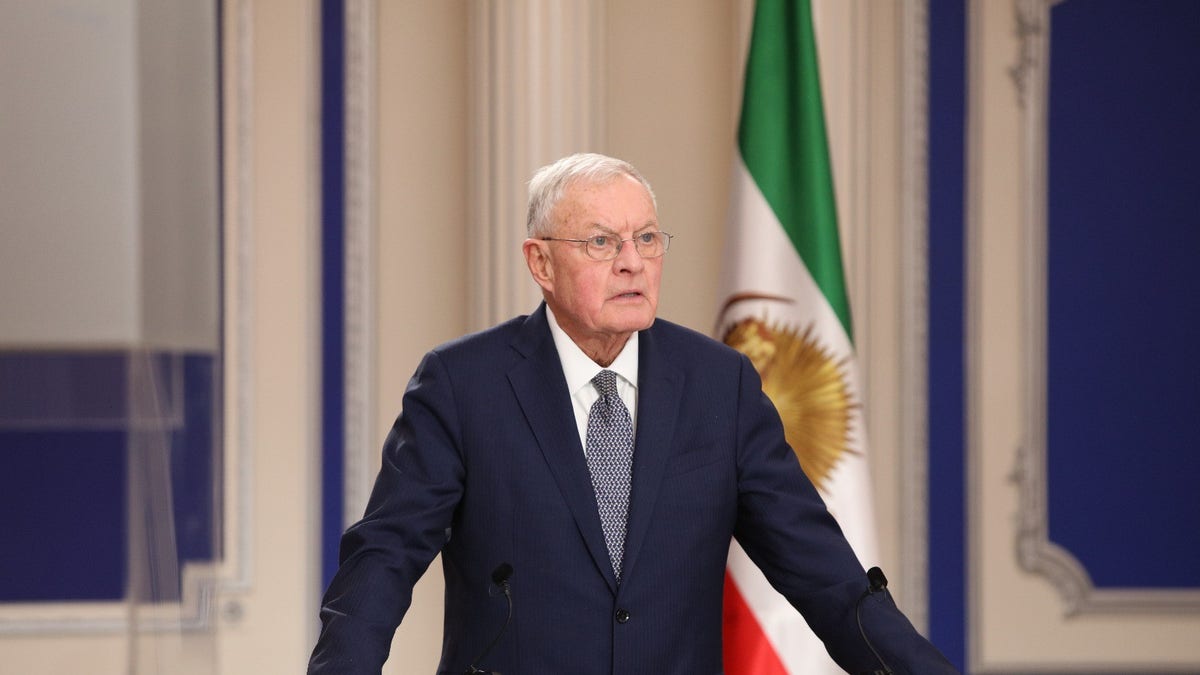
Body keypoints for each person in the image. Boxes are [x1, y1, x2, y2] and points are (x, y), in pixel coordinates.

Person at [308, 153, 956, 674]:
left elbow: (827, 576)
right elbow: (384, 559)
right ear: (540, 262)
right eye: (601, 241)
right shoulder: (462, 385)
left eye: (647, 237)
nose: (633, 261)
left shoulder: (718, 384)